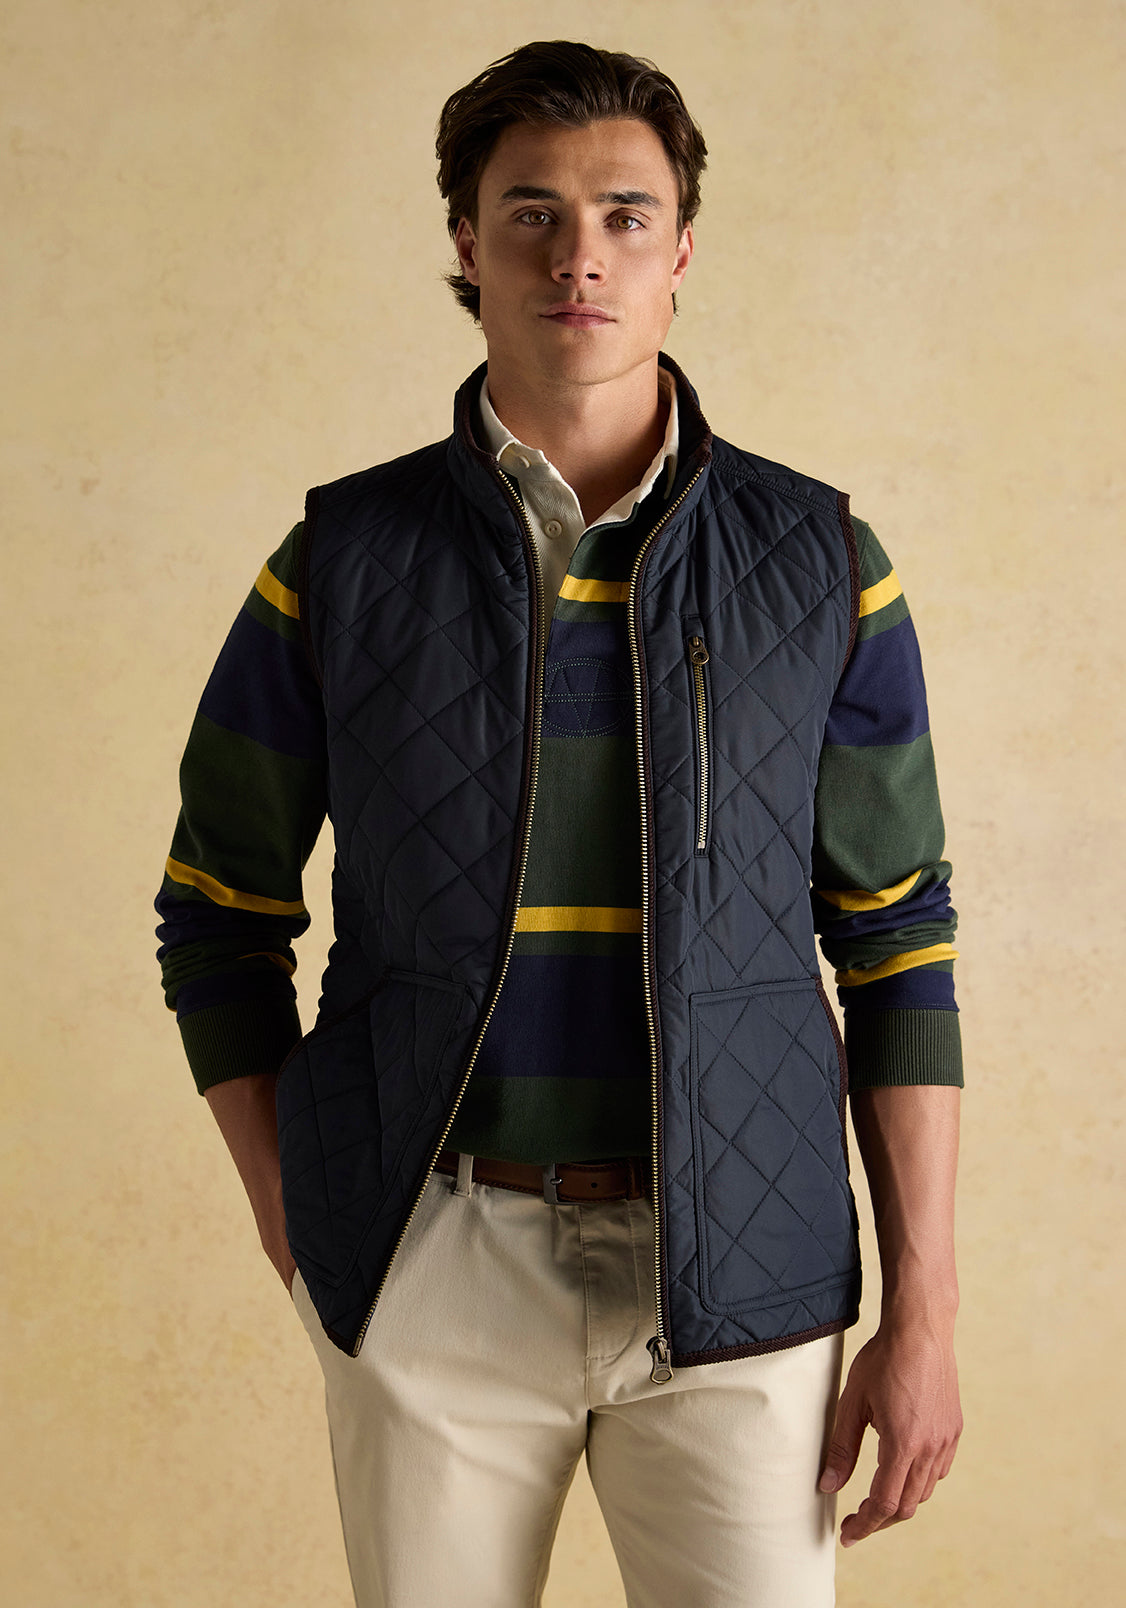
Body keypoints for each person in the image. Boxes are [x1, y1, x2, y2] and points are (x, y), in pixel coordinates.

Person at [155, 40, 963, 1608]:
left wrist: (922, 1311)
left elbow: (898, 943)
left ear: (680, 253)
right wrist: (299, 1225)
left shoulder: (820, 562)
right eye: (529, 212)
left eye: (621, 215)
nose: (576, 255)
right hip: (428, 1258)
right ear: (465, 242)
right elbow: (217, 912)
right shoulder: (341, 560)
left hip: (746, 1274)